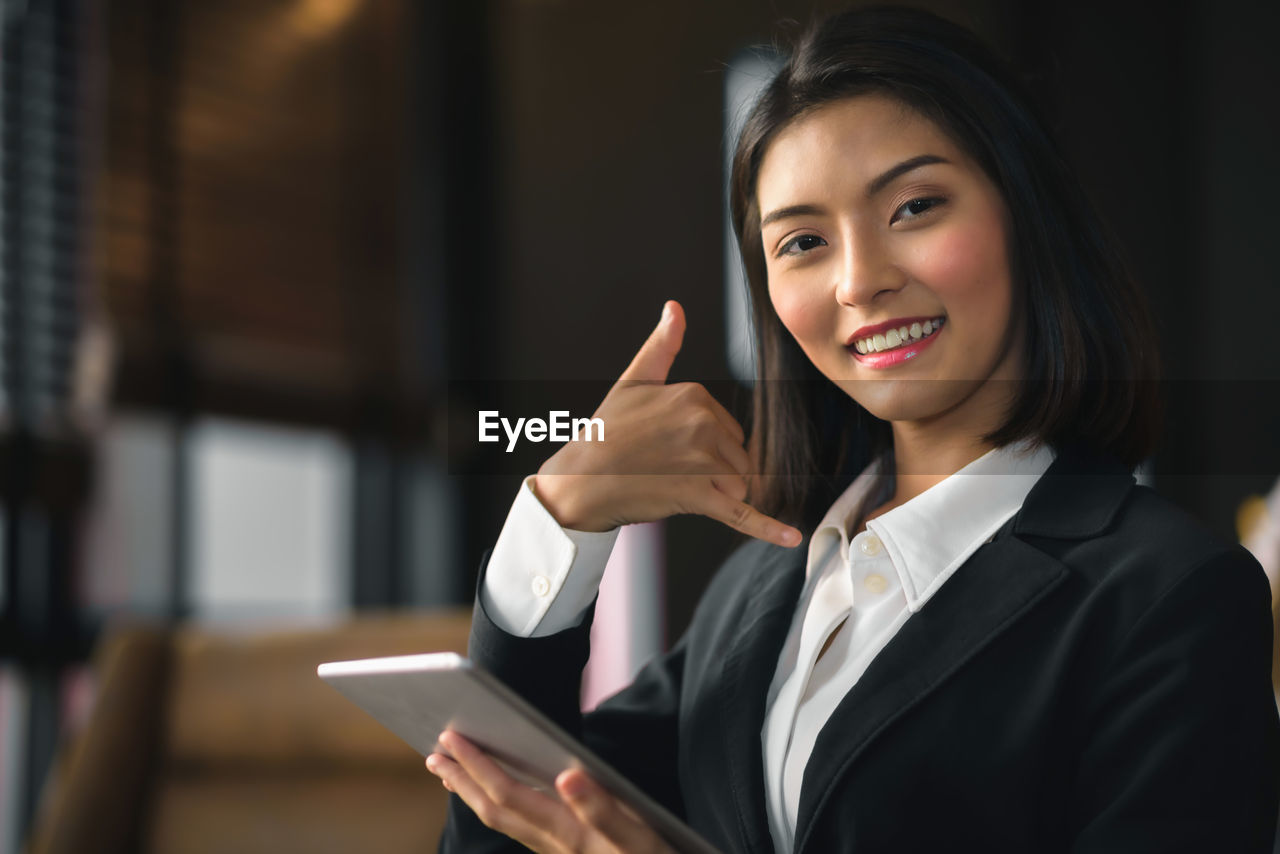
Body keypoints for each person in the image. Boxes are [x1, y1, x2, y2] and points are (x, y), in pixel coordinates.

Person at [429, 7, 1280, 852]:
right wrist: (565, 509)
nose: (859, 282)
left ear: (1027, 215)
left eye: (913, 207)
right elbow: (503, 826)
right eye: (802, 241)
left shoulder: (1170, 596)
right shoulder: (758, 591)